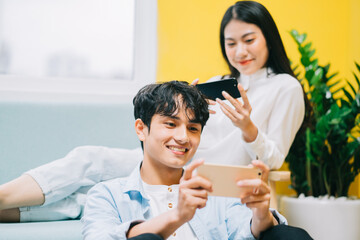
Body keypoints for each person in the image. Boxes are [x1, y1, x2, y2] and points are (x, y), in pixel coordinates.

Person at [0, 0, 306, 223]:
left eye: (249, 40)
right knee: (90, 168)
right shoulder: (220, 83)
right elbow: (185, 132)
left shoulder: (285, 87)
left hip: (210, 178)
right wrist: (187, 103)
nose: (240, 51)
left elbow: (274, 160)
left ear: (268, 37)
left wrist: (247, 127)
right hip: (170, 163)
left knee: (89, 179)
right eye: (231, 43)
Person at [82, 80, 292, 240]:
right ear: (141, 129)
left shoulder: (217, 190)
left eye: (193, 128)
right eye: (171, 124)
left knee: (286, 234)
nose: (183, 137)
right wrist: (178, 216)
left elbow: (244, 229)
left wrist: (261, 213)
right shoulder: (107, 195)